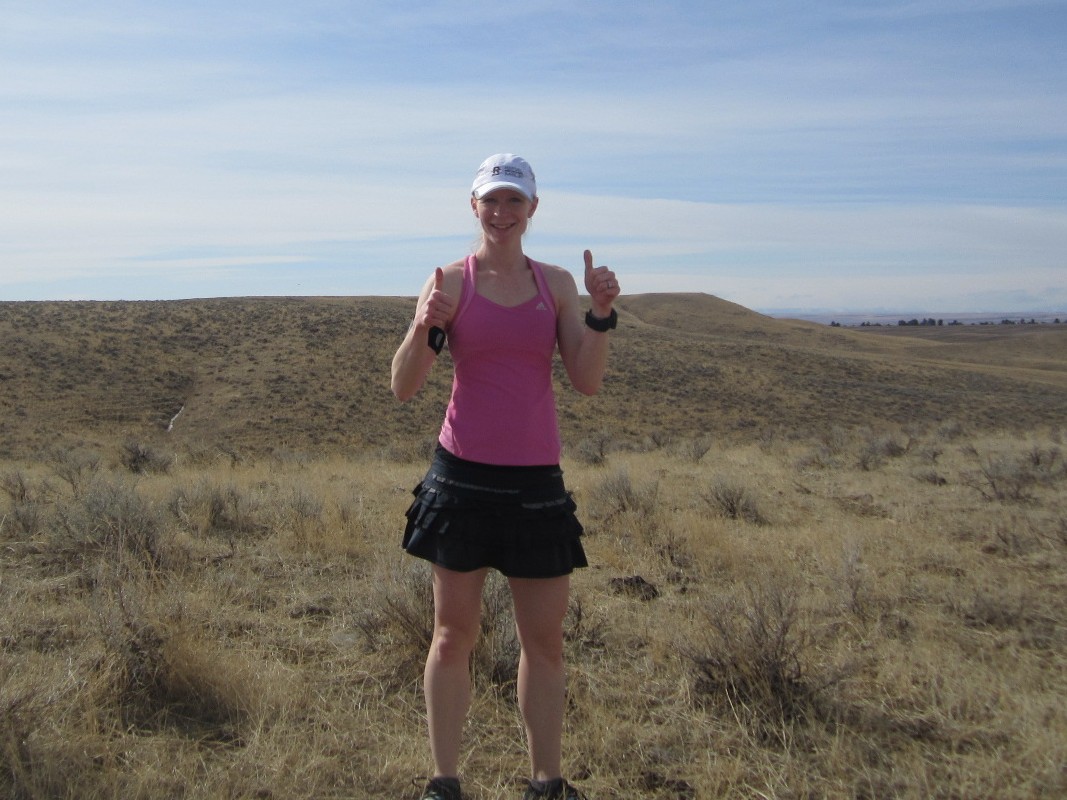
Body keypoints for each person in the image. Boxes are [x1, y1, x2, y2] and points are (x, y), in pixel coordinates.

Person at [391, 154, 620, 800]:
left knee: (544, 644)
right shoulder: (449, 282)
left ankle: (546, 783)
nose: (501, 212)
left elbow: (586, 380)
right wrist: (425, 325)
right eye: (490, 200)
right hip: (460, 482)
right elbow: (403, 386)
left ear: (532, 209)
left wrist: (601, 315)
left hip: (535, 488)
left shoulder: (556, 286)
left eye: (513, 200)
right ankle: (444, 783)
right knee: (450, 637)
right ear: (474, 206)